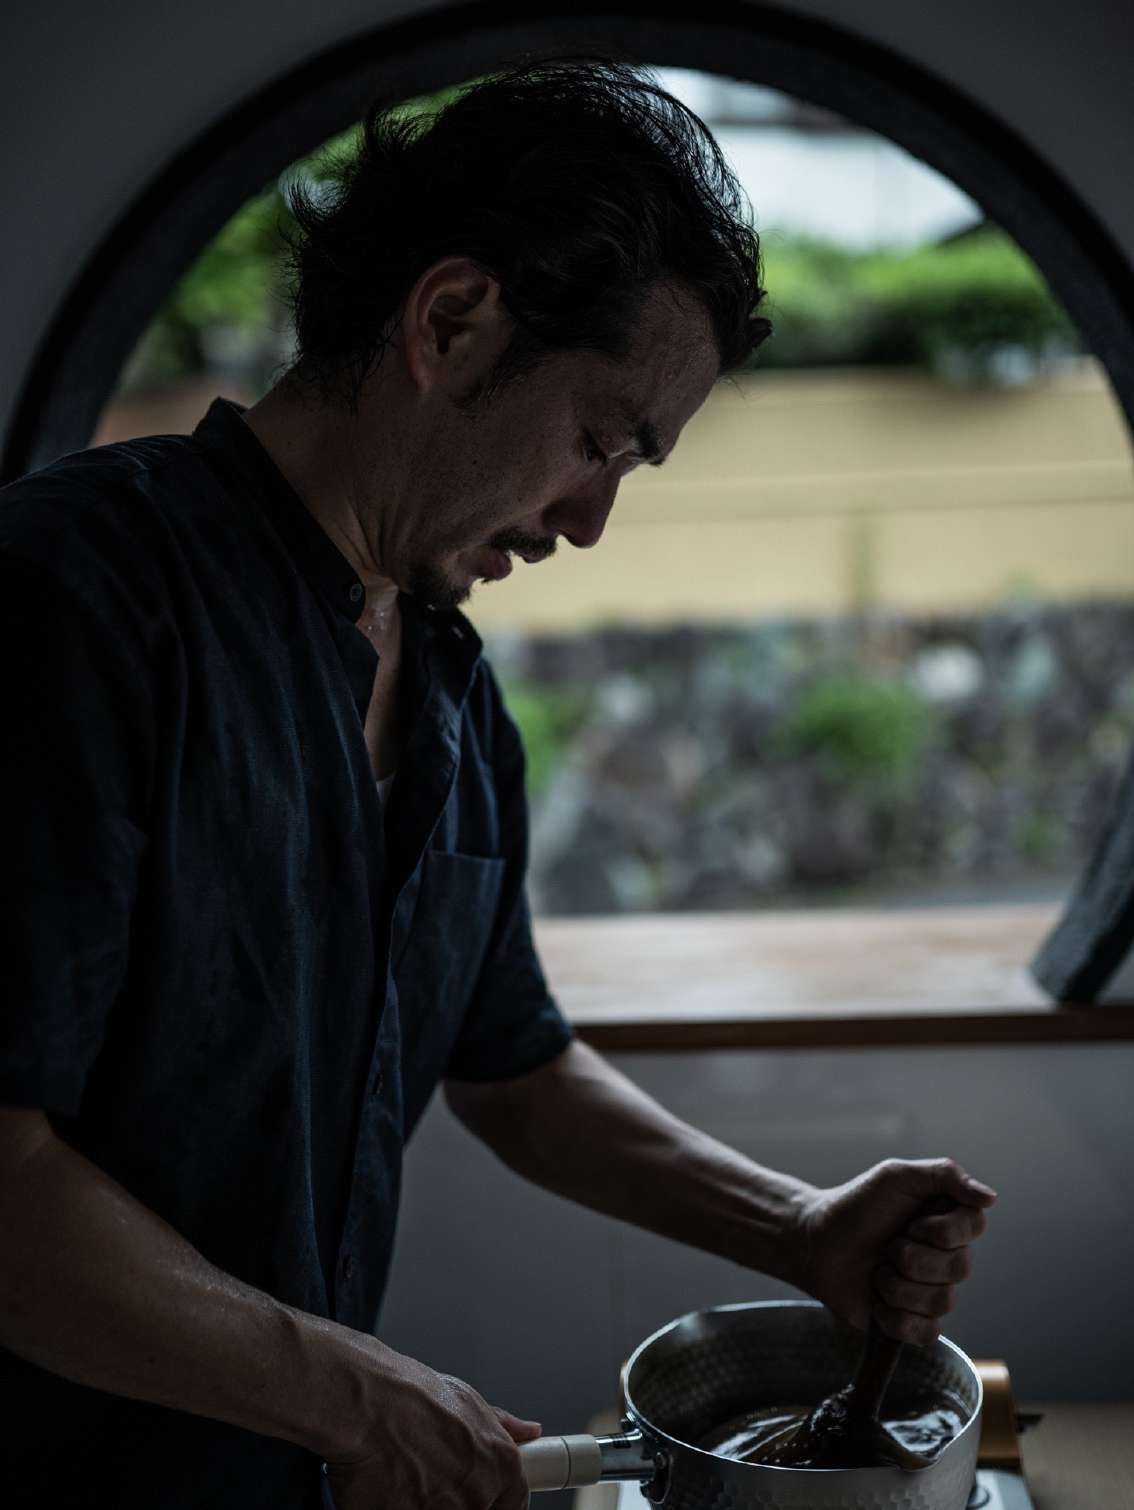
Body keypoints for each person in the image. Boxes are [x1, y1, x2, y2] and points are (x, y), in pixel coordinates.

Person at [0, 59, 996, 1510]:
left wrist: (799, 1226)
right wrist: (353, 1394)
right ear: (451, 321)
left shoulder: (454, 697)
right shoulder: (68, 601)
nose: (589, 523)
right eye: (598, 441)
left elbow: (514, 1070)